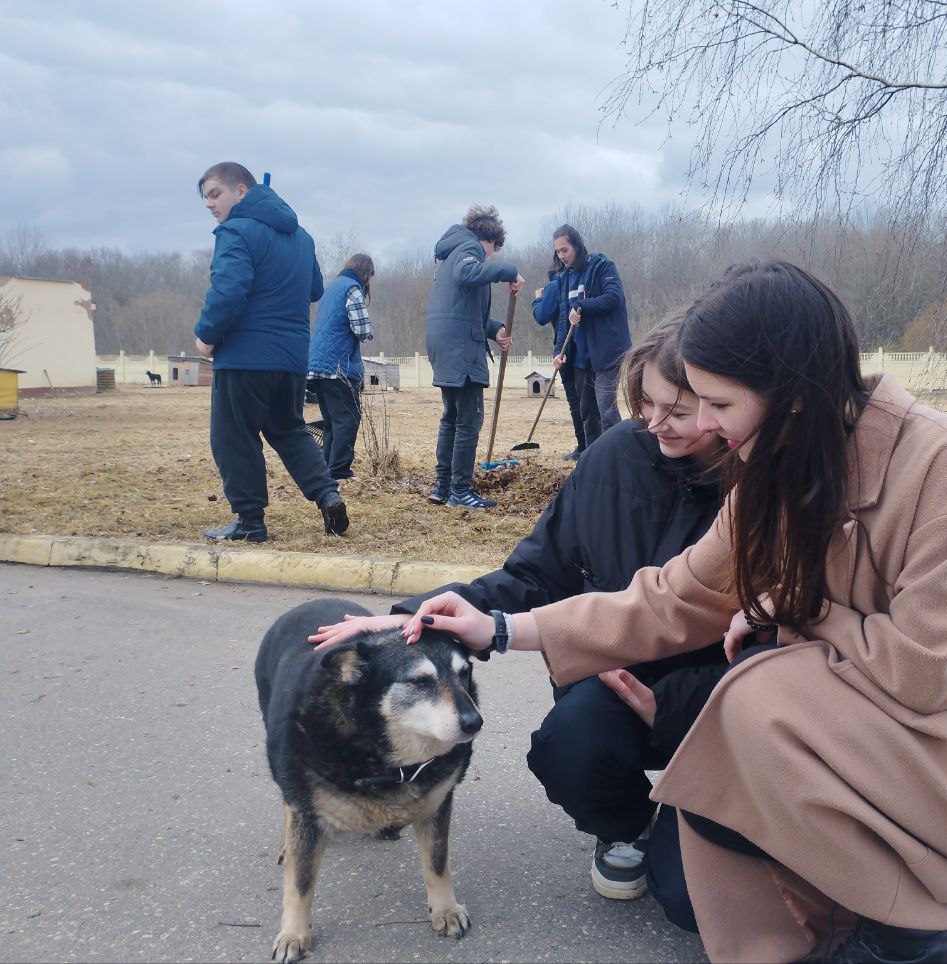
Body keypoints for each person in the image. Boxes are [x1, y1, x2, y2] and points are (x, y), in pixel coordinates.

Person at [413, 260, 947, 963]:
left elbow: (924, 672)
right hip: (885, 743)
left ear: (792, 395)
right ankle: (839, 927)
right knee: (700, 880)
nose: (702, 424)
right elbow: (673, 598)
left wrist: (800, 610)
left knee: (761, 694)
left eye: (716, 403)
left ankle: (922, 927)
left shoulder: (940, 459)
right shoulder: (774, 475)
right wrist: (497, 629)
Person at [308, 315, 727, 917]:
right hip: (608, 684)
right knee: (569, 744)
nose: (657, 423)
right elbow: (534, 575)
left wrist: (680, 701)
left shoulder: (756, 495)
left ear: (724, 407)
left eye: (679, 411)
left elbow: (772, 647)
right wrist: (405, 623)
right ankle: (634, 822)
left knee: (693, 905)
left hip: (714, 701)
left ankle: (704, 810)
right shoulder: (614, 459)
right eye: (647, 403)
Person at [193, 162, 348, 543]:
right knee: (289, 429)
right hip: (292, 358)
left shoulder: (234, 232)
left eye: (216, 194)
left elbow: (228, 291)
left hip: (245, 356)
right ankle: (328, 495)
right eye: (206, 198)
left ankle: (249, 522)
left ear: (242, 190)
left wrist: (205, 336)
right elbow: (314, 288)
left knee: (234, 436)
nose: (210, 205)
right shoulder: (302, 237)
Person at [425, 205, 523, 509]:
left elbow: (465, 309)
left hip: (446, 343)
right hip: (459, 347)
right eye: (494, 251)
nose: (491, 257)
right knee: (469, 419)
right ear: (490, 240)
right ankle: (460, 491)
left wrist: (495, 331)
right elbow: (468, 274)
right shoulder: (469, 249)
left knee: (451, 417)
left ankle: (442, 486)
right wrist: (509, 271)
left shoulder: (452, 251)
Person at [535, 225, 631, 452]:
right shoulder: (565, 278)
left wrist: (582, 305)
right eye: (558, 252)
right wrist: (559, 352)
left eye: (565, 250)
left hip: (607, 351)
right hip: (581, 355)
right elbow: (563, 322)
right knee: (587, 411)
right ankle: (592, 458)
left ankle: (618, 456)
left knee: (606, 409)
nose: (561, 256)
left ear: (577, 246)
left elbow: (614, 298)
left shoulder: (601, 266)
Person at [307, 253, 375, 481]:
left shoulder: (332, 288)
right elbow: (362, 330)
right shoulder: (351, 288)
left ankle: (327, 468)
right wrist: (369, 332)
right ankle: (339, 471)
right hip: (338, 367)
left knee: (331, 422)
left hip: (317, 365)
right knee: (348, 418)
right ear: (365, 272)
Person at [531, 236, 587, 460]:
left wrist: (537, 300)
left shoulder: (554, 286)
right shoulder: (576, 281)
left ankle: (583, 446)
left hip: (566, 349)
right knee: (586, 399)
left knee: (576, 400)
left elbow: (542, 316)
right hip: (580, 346)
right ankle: (587, 444)